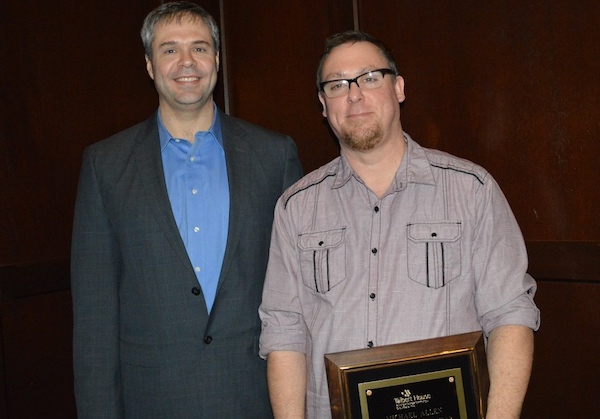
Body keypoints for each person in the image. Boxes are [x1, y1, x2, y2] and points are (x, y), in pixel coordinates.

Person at [259, 30, 540, 419]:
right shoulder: (296, 208)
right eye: (337, 85)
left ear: (399, 88)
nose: (354, 94)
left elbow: (510, 314)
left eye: (370, 77)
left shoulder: (471, 190)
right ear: (323, 105)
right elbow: (284, 333)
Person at [70, 2, 303, 417]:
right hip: (153, 399)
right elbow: (94, 317)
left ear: (216, 58)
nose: (186, 62)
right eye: (169, 49)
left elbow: (299, 293)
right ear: (149, 65)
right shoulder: (104, 165)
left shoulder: (273, 155)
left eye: (199, 47)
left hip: (255, 394)